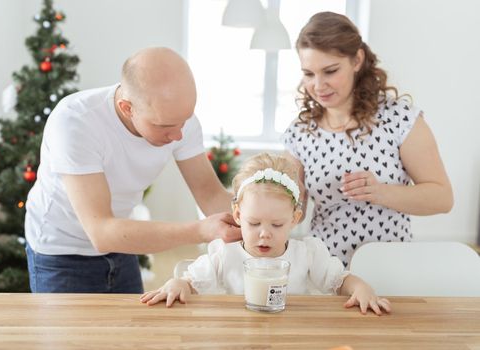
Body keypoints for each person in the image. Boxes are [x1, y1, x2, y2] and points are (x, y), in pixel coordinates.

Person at [24, 47, 241, 293]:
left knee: (132, 330)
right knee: (69, 334)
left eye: (184, 121)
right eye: (165, 125)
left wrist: (258, 221)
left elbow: (210, 194)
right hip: (61, 254)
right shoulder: (75, 121)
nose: (178, 134)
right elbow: (102, 232)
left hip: (123, 244)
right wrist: (201, 230)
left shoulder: (177, 119)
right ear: (127, 108)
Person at [283, 12, 453, 267]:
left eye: (330, 71)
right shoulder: (300, 132)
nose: (318, 85)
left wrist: (380, 192)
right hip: (324, 272)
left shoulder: (400, 119)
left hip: (388, 270)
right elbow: (293, 210)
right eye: (308, 74)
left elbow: (442, 198)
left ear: (357, 60)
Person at [141, 153, 391, 315]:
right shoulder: (224, 254)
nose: (264, 234)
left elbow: (339, 280)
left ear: (294, 218)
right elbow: (189, 282)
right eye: (254, 223)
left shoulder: (307, 254)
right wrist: (177, 283)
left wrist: (360, 287)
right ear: (238, 215)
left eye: (277, 225)